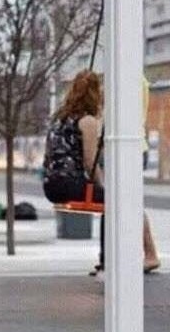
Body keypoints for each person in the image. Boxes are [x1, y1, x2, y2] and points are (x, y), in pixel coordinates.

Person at [43, 70, 160, 274]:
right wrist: (102, 184)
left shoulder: (58, 119)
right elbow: (90, 162)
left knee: (113, 201)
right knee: (118, 201)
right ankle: (117, 259)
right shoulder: (87, 121)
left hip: (51, 185)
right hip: (69, 184)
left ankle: (111, 258)